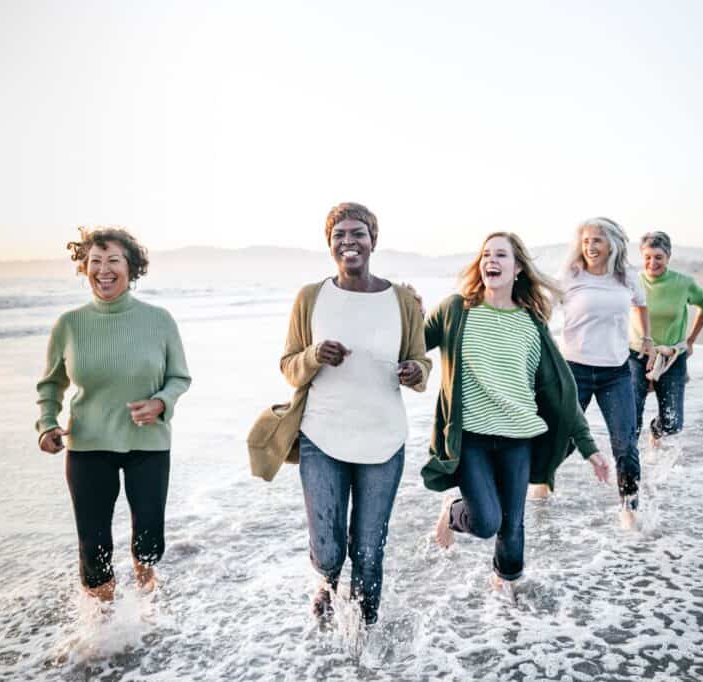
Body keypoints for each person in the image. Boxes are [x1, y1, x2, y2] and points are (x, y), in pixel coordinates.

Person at [255, 202, 430, 627]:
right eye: (340, 236)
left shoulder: (402, 300)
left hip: (383, 440)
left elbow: (422, 366)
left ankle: (365, 643)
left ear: (373, 241)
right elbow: (288, 366)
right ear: (329, 244)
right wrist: (314, 355)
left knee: (369, 552)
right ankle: (327, 585)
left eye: (358, 234)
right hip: (323, 436)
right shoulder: (310, 297)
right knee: (330, 550)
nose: (349, 242)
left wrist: (413, 371)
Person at [423, 232, 609, 590]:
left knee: (513, 525)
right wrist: (403, 309)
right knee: (486, 522)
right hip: (472, 439)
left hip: (519, 438)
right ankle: (453, 511)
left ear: (518, 267)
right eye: (486, 255)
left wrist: (590, 448)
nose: (491, 261)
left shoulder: (531, 323)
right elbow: (412, 343)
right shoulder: (455, 311)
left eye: (501, 255)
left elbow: (561, 393)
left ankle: (506, 590)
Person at [36, 227, 191, 601]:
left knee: (149, 541)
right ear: (84, 268)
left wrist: (160, 404)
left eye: (113, 261)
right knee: (94, 547)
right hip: (89, 446)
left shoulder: (159, 320)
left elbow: (179, 377)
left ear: (131, 267)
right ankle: (102, 632)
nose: (103, 270)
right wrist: (46, 425)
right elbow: (51, 385)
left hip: (148, 444)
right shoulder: (70, 325)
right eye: (95, 261)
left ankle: (146, 603)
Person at [532, 217, 651, 528]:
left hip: (617, 373)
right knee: (564, 438)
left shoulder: (626, 278)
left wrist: (647, 339)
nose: (590, 247)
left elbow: (641, 305)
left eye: (597, 240)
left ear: (611, 244)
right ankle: (543, 481)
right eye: (586, 241)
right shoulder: (570, 277)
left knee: (625, 442)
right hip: (574, 371)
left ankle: (629, 507)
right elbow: (543, 309)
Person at [629, 230, 703, 447]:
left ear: (668, 257)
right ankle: (630, 463)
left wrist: (691, 340)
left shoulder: (683, 283)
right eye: (647, 257)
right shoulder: (633, 282)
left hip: (671, 357)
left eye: (658, 257)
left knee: (673, 422)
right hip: (637, 354)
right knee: (631, 415)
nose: (652, 262)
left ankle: (656, 431)